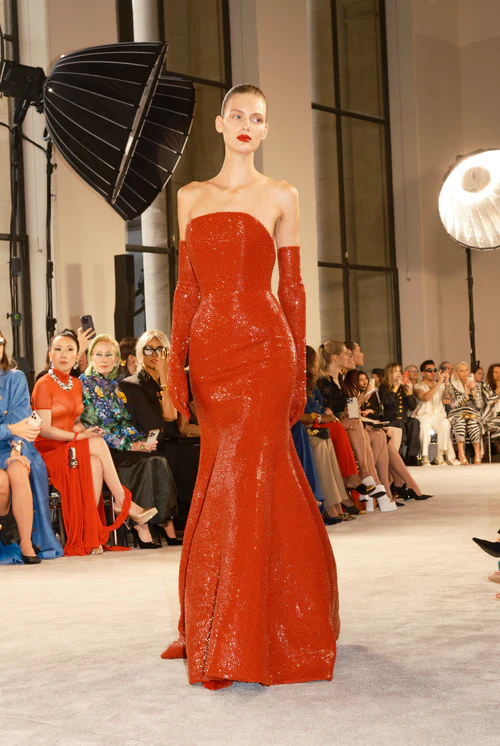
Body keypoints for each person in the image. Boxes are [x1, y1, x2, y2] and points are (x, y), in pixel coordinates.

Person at [161, 84, 339, 689]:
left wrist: (299, 373)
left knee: (249, 474)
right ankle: (226, 622)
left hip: (265, 349)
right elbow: (186, 289)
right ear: (219, 123)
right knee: (225, 474)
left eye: (256, 118)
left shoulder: (282, 194)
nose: (245, 124)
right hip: (212, 354)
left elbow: (293, 289)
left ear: (265, 129)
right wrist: (176, 365)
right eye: (236, 114)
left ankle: (242, 634)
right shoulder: (189, 196)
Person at [32, 329, 157, 556]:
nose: (63, 354)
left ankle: (89, 535)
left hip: (69, 444)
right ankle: (123, 501)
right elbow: (44, 429)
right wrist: (78, 437)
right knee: (98, 443)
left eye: (70, 350)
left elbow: (75, 421)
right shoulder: (43, 384)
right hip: (47, 451)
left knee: (95, 462)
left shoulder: (75, 384)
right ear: (50, 354)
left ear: (76, 356)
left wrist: (83, 430)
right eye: (58, 349)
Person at [80, 334, 180, 548]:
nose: (104, 359)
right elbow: (95, 428)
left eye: (109, 355)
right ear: (91, 358)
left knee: (155, 459)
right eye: (99, 354)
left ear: (117, 359)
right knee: (146, 462)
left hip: (121, 448)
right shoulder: (85, 384)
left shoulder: (115, 386)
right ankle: (141, 526)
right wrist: (131, 445)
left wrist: (141, 442)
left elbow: (125, 423)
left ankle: (157, 522)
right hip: (102, 451)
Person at [0, 331, 63, 565]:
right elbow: (13, 426)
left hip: (13, 446)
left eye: (0, 342)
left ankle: (26, 543)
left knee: (18, 470)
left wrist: (16, 450)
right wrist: (10, 429)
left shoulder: (15, 378)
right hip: (7, 438)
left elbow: (22, 422)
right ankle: (7, 534)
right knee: (1, 483)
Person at [317, 341, 396, 510]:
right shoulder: (324, 381)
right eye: (347, 354)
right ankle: (368, 476)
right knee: (360, 425)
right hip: (331, 423)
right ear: (336, 358)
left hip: (345, 421)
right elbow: (328, 410)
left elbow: (349, 407)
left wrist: (353, 409)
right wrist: (354, 407)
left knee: (368, 429)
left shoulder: (341, 379)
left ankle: (371, 479)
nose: (350, 358)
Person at [413, 360, 459, 465]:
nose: (433, 372)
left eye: (434, 370)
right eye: (429, 370)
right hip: (423, 415)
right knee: (424, 426)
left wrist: (446, 384)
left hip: (438, 415)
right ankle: (424, 456)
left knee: (445, 423)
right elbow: (425, 398)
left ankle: (440, 455)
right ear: (423, 373)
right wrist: (439, 383)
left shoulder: (442, 385)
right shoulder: (418, 386)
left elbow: (446, 401)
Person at [379, 363, 420, 465]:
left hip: (404, 418)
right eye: (395, 371)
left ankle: (412, 456)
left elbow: (412, 406)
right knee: (398, 422)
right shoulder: (384, 387)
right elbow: (387, 401)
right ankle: (399, 455)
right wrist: (395, 387)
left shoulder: (403, 387)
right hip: (391, 419)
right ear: (390, 373)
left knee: (414, 422)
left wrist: (409, 391)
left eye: (399, 371)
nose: (398, 373)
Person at [448, 361, 484, 465]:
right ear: (457, 373)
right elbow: (453, 404)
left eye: (466, 370)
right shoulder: (451, 385)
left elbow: (479, 405)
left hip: (472, 412)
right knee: (460, 423)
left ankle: (477, 453)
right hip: (457, 413)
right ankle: (461, 453)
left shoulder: (476, 384)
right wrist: (466, 394)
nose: (464, 373)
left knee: (473, 423)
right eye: (461, 371)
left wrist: (474, 391)